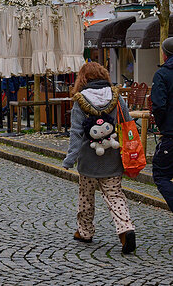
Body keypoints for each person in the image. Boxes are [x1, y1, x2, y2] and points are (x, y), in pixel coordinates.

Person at [62, 62, 136, 254]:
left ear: (83, 79)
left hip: (88, 159)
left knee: (86, 197)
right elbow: (127, 122)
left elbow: (77, 133)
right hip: (112, 154)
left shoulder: (80, 101)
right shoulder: (116, 97)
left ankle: (85, 231)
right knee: (115, 194)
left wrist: (70, 159)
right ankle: (125, 228)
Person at [150, 37, 173, 212]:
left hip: (171, 134)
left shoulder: (162, 74)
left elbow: (158, 105)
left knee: (161, 174)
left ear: (165, 55)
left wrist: (160, 125)